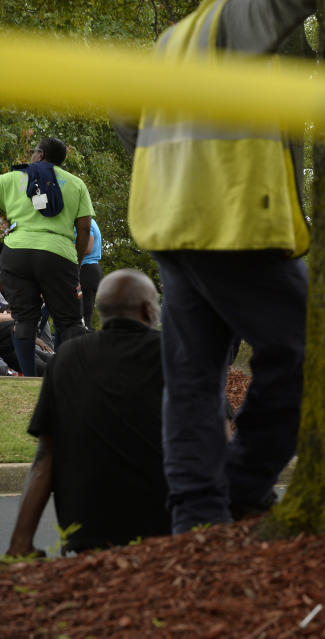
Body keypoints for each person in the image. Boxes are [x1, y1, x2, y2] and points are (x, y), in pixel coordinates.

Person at [114, 0, 315, 534]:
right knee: (312, 346)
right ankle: (242, 484)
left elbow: (125, 115)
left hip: (173, 223)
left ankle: (197, 515)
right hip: (232, 222)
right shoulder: (233, 20)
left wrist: (170, 170)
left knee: (191, 379)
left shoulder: (172, 42)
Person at [5, 270, 169, 556]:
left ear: (102, 313)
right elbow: (220, 436)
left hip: (88, 531)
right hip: (168, 522)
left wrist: (20, 544)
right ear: (148, 310)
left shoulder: (67, 357)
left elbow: (45, 456)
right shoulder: (177, 353)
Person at [0, 137, 92, 376]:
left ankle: (29, 377)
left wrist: (5, 220)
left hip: (16, 252)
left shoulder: (10, 179)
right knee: (70, 320)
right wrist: (77, 262)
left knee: (23, 319)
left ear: (40, 155)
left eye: (33, 152)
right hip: (58, 254)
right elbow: (84, 229)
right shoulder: (76, 184)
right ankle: (69, 375)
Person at [79, 217, 102, 329]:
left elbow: (87, 248)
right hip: (92, 270)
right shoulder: (91, 221)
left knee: (81, 319)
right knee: (86, 318)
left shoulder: (83, 223)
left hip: (86, 270)